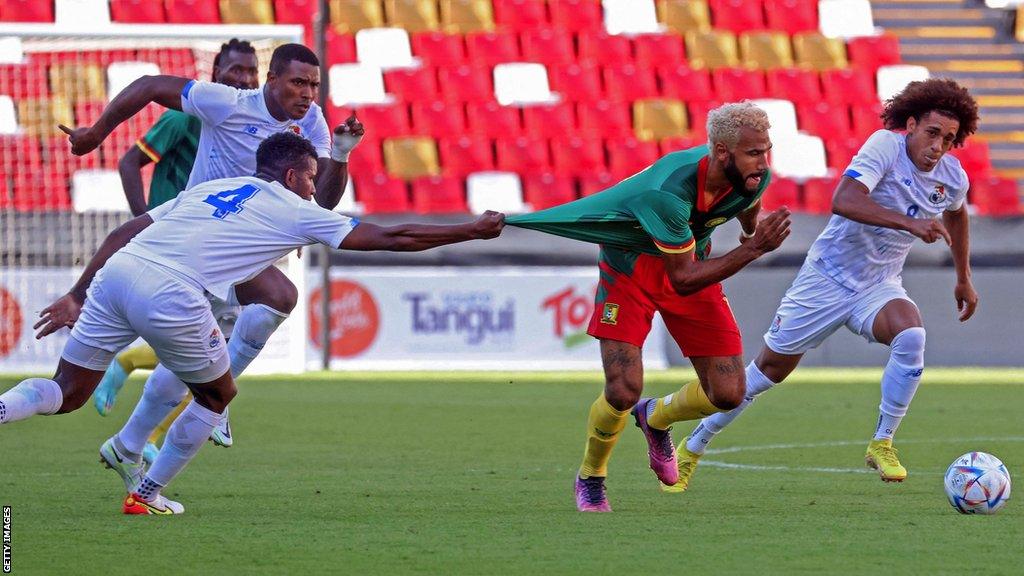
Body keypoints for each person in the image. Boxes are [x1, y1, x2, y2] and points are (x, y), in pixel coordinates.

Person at [0, 132, 505, 515]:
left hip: (120, 272)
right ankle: (146, 492)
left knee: (66, 393)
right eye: (310, 178)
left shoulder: (215, 188)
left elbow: (128, 228)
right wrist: (470, 231)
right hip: (172, 291)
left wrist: (77, 292)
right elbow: (394, 237)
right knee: (217, 397)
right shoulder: (294, 208)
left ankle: (5, 408)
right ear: (291, 177)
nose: (314, 190)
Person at [674, 78, 980, 491]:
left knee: (911, 335)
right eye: (932, 133)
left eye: (948, 138)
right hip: (826, 279)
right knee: (765, 374)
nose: (938, 146)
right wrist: (910, 223)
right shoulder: (884, 147)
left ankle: (882, 442)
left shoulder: (952, 176)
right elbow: (845, 200)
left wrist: (963, 276)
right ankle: (696, 443)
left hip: (878, 284)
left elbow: (957, 215)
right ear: (910, 125)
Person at [60, 43, 366, 452]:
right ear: (272, 80)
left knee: (263, 312)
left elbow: (324, 201)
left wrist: (342, 155)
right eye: (298, 82)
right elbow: (151, 85)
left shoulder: (311, 121)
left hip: (246, 249)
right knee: (249, 320)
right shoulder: (226, 103)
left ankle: (138, 436)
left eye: (314, 84)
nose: (309, 93)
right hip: (195, 244)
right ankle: (158, 418)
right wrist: (97, 133)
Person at [506, 102, 791, 512]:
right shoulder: (668, 194)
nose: (763, 163)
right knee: (622, 390)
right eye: (753, 153)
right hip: (632, 271)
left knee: (729, 394)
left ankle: (656, 416)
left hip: (693, 263)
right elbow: (682, 278)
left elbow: (747, 207)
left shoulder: (752, 175)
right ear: (723, 153)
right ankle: (591, 475)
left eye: (766, 151)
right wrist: (755, 249)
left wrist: (751, 230)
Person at [93, 38, 261, 462]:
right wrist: (146, 220)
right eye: (234, 70)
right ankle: (144, 411)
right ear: (215, 74)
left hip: (217, 243)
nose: (242, 79)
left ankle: (146, 426)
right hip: (178, 241)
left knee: (213, 343)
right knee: (213, 345)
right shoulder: (188, 118)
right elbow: (130, 160)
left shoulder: (251, 126)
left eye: (249, 71)